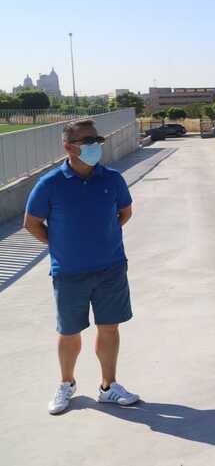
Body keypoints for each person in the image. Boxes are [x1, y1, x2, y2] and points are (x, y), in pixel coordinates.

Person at [24, 119, 139, 414]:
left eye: (96, 139)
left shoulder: (112, 179)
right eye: (86, 141)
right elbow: (31, 223)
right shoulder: (50, 183)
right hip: (70, 272)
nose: (94, 145)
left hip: (111, 268)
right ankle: (66, 384)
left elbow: (124, 213)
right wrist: (59, 244)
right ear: (68, 146)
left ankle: (108, 386)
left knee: (109, 328)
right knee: (69, 332)